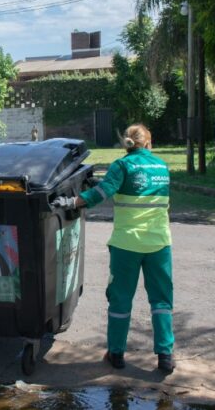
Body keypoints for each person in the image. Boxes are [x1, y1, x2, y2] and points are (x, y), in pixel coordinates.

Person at [52, 124, 176, 374]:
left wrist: (71, 201)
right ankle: (165, 356)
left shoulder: (122, 166)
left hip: (127, 245)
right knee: (161, 300)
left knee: (120, 299)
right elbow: (138, 188)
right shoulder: (162, 167)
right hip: (159, 244)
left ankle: (117, 353)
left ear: (126, 144)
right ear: (149, 143)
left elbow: (103, 192)